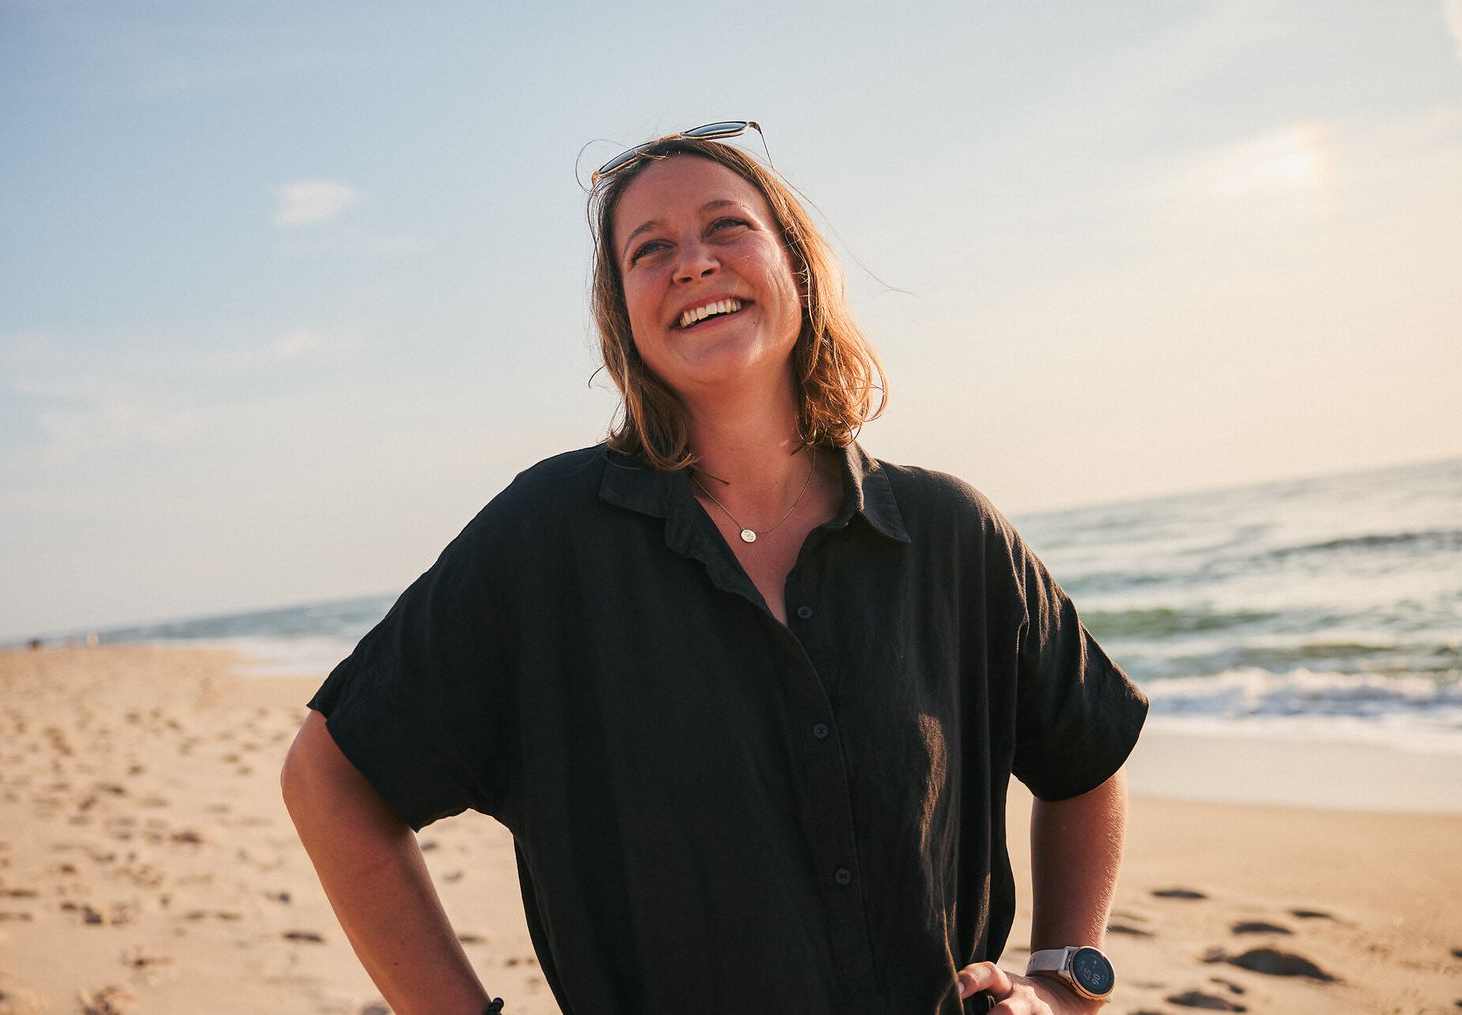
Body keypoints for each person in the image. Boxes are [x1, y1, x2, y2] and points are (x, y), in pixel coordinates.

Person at [281, 121, 1148, 1015]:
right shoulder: (546, 544)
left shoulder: (951, 534)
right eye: (649, 249)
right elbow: (329, 778)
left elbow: (1085, 752)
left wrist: (1063, 981)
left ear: (798, 270)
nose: (692, 263)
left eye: (726, 227)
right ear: (623, 317)